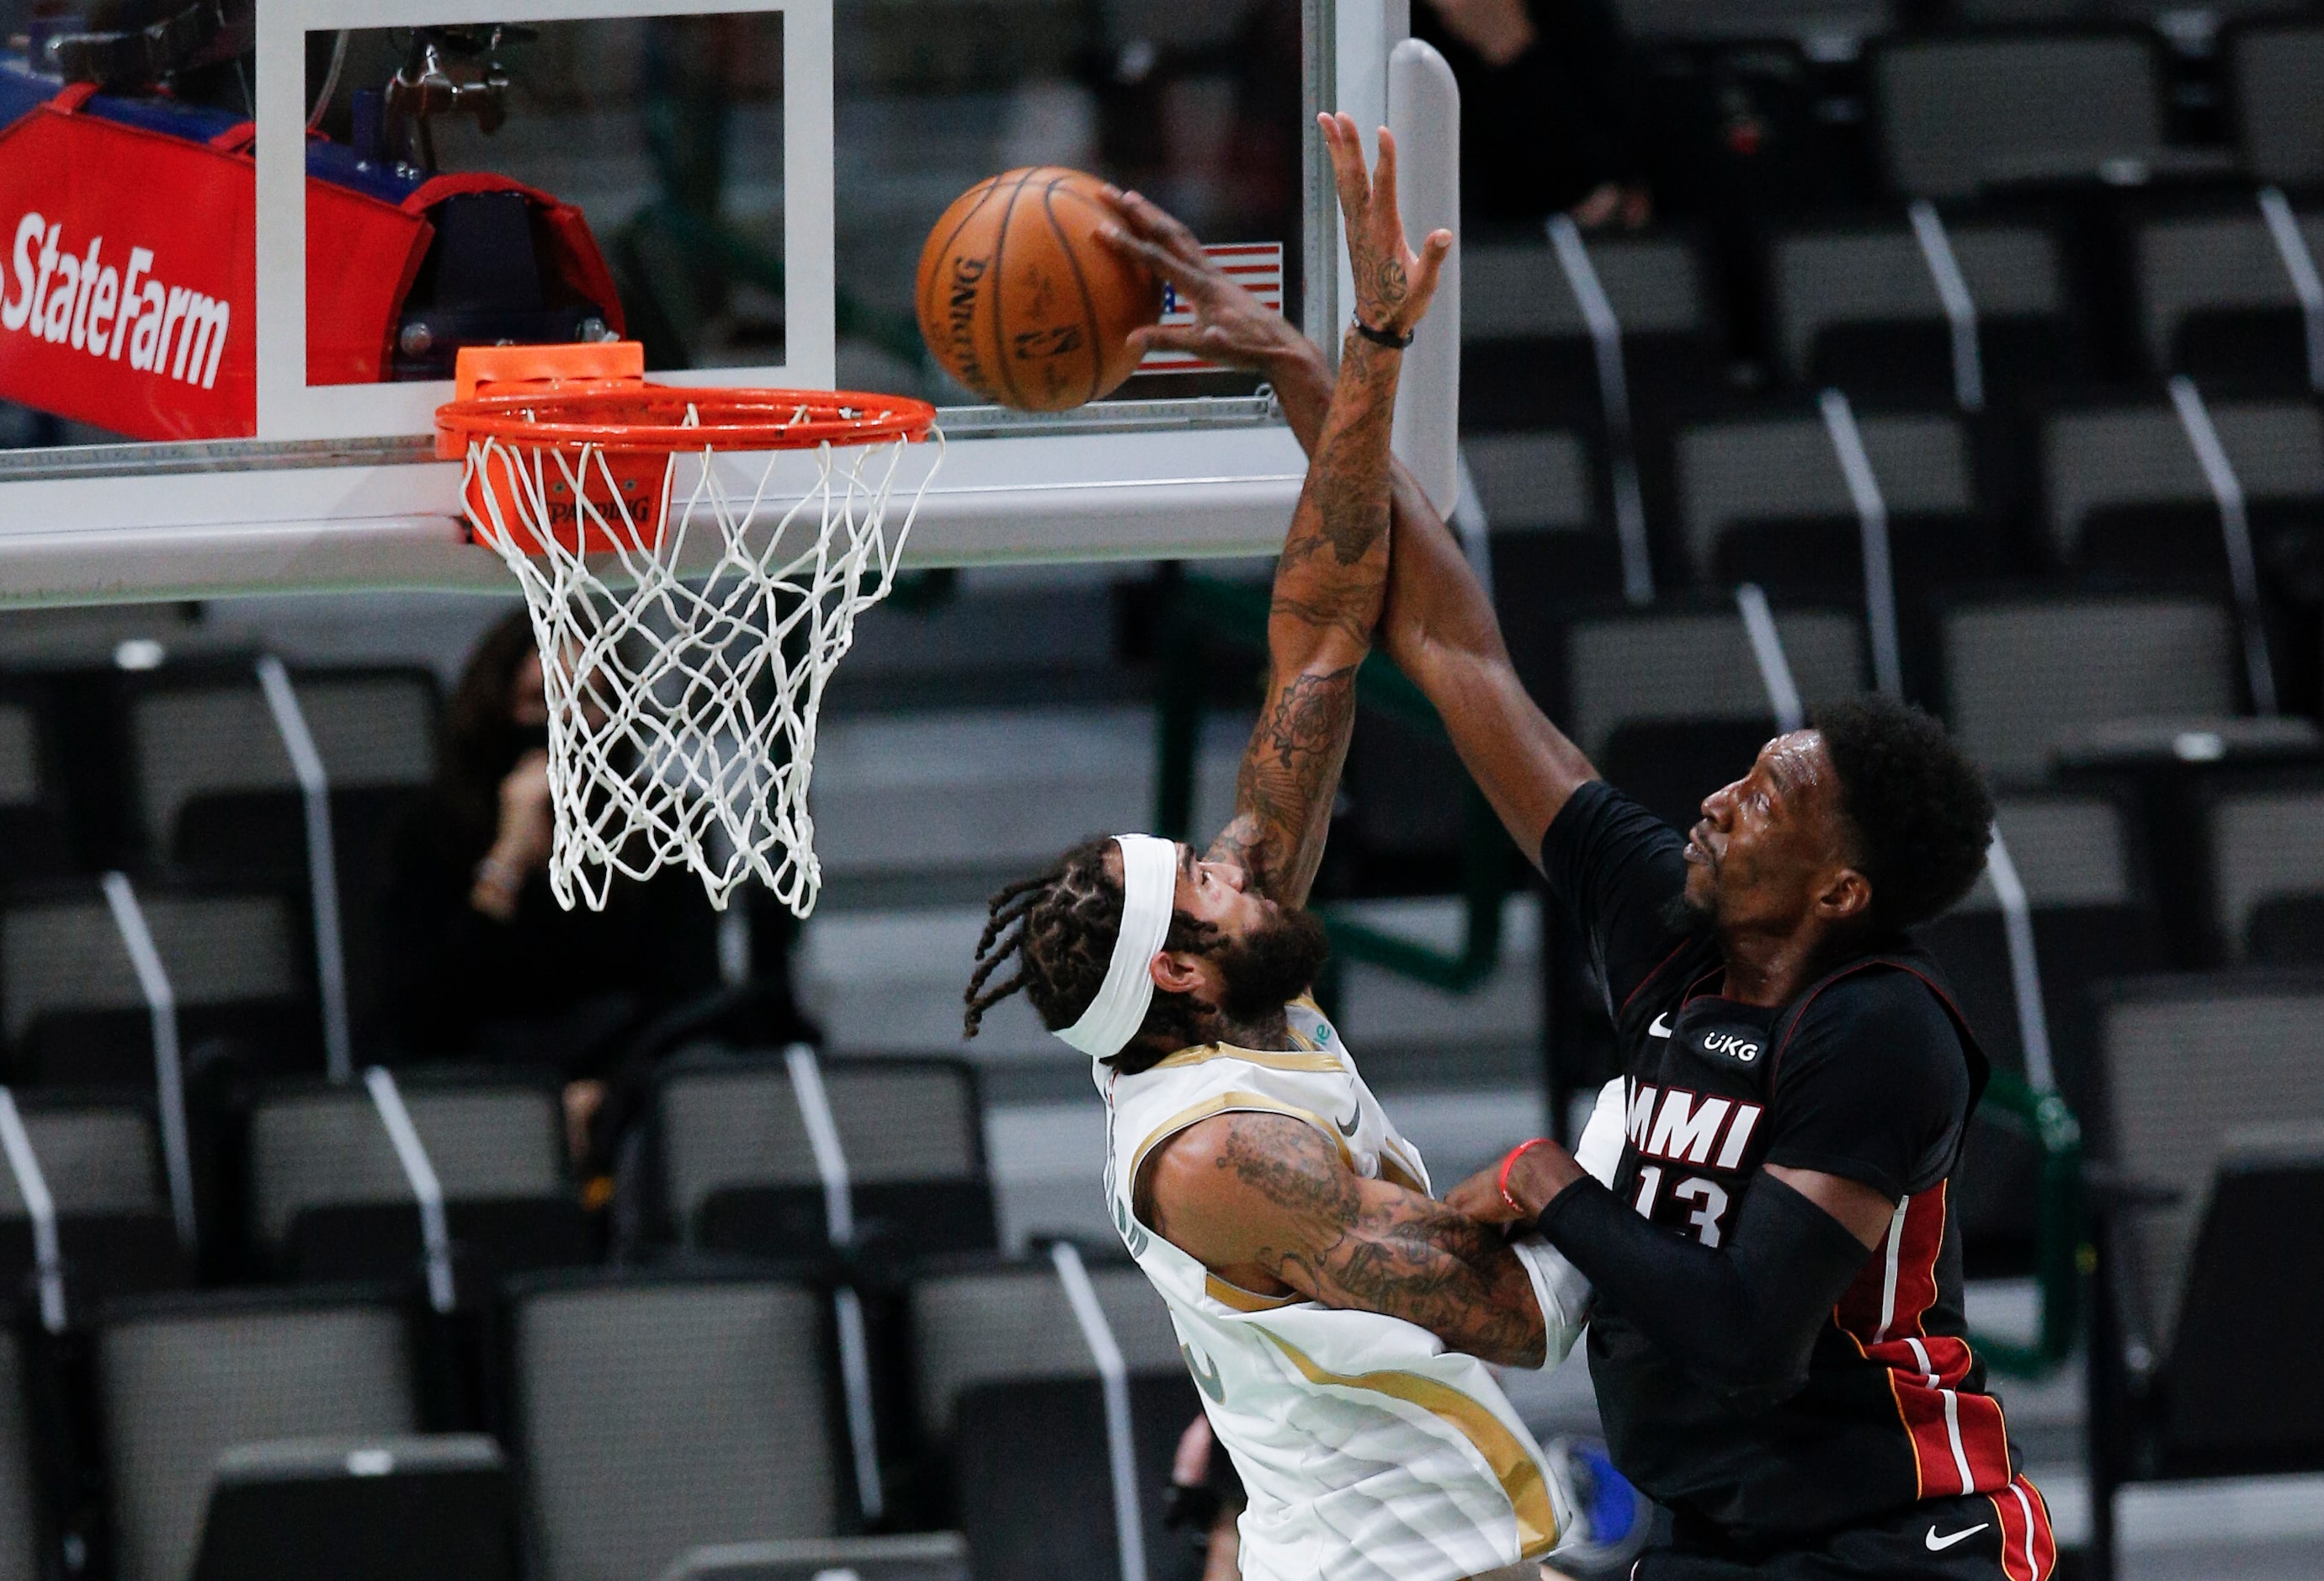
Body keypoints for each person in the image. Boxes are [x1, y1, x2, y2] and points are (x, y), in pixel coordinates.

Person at [1084, 137, 2054, 1579]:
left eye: (1770, 797)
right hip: (1712, 1532)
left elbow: (1745, 1340)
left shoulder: (1878, 1030)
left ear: (1841, 889)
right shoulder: (1663, 912)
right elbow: (1448, 641)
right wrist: (1328, 360)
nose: (1720, 797)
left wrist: (1554, 1181)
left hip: (1901, 1532)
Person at [964, 117, 1639, 1581]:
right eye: (1211, 879)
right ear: (1184, 971)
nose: (1245, 859)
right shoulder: (1218, 1153)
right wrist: (1634, 1108)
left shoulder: (1229, 991)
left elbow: (1323, 632)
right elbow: (1525, 1315)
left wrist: (1331, 352)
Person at [376, 610, 772, 1163]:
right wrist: (505, 865)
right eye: (539, 702)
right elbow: (416, 1016)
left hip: (627, 1083)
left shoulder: (665, 824)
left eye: (583, 701)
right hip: (482, 1092)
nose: (562, 726)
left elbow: (687, 994)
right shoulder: (430, 831)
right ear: (497, 708)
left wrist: (611, 1089)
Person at [1411, 0, 1651, 227]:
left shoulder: (1572, 21)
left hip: (1535, 246)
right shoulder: (1394, 27)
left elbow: (1609, 189)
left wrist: (1508, 45)